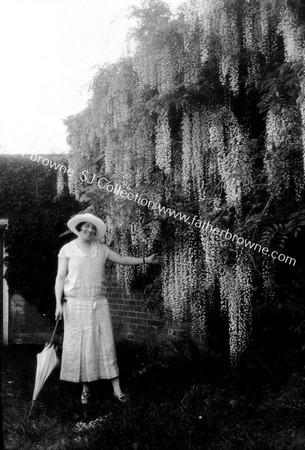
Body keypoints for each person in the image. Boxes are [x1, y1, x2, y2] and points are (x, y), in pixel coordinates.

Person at [55, 213, 162, 405]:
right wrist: (57, 304)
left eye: (93, 229)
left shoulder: (101, 249)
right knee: (83, 346)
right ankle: (86, 390)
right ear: (79, 228)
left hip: (99, 303)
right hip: (75, 304)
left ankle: (117, 390)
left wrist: (146, 260)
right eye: (86, 227)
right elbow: (60, 278)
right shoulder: (67, 250)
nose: (89, 231)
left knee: (106, 344)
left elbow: (122, 259)